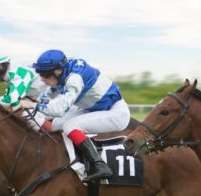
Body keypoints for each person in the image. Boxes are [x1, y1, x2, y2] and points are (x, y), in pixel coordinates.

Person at [17, 50, 130, 183]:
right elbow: (48, 96)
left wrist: (33, 105)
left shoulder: (74, 79)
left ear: (58, 71)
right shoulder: (62, 72)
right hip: (95, 109)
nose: (41, 78)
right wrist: (31, 102)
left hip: (116, 113)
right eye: (40, 74)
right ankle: (65, 158)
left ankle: (99, 165)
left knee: (70, 126)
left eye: (45, 75)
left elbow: (59, 110)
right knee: (56, 124)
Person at [0, 48, 48, 129]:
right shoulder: (10, 76)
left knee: (27, 115)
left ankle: (62, 139)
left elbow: (11, 100)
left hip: (58, 102)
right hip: (43, 101)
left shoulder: (18, 72)